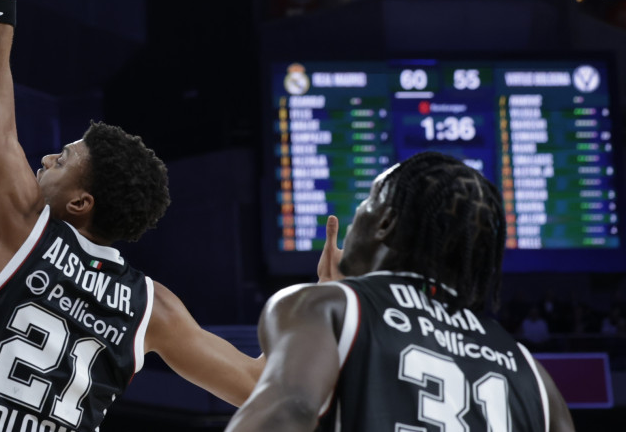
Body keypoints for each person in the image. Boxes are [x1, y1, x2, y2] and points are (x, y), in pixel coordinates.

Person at [0, 0, 263, 430]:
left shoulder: (24, 227)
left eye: (63, 157)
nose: (46, 158)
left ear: (80, 202)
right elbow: (257, 385)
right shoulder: (151, 305)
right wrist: (331, 311)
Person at [226, 152, 574, 431]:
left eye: (367, 201)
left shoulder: (327, 307)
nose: (355, 215)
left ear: (385, 223)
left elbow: (288, 412)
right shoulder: (534, 375)